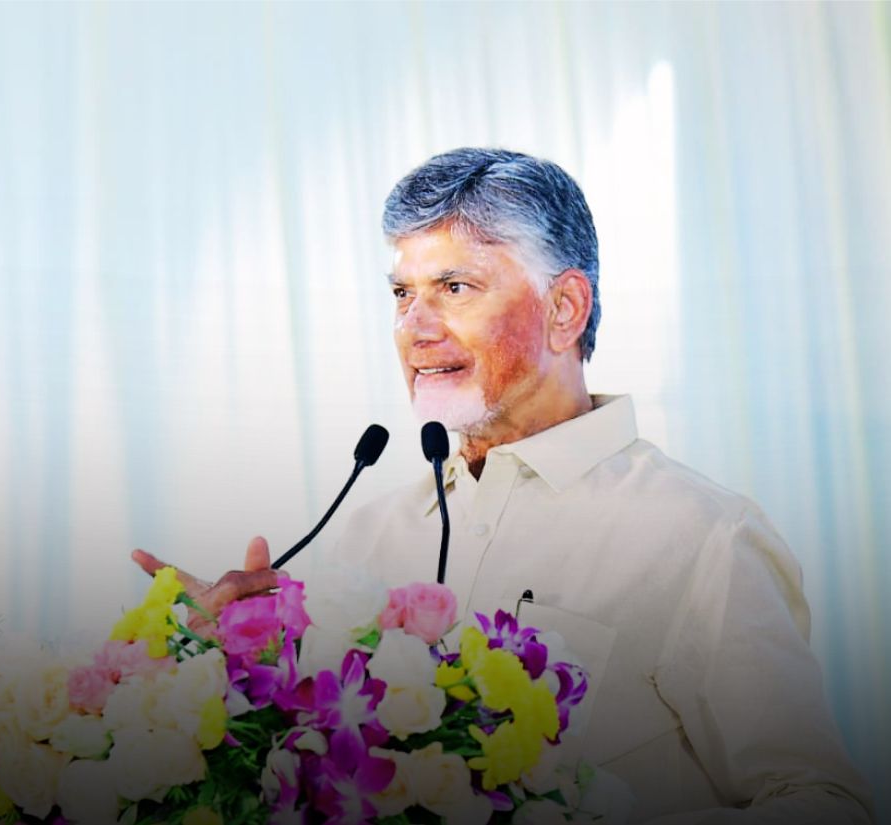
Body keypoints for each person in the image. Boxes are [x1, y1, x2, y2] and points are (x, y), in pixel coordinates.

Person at [132, 148, 873, 823]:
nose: (414, 328)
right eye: (401, 293)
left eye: (454, 286)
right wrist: (234, 668)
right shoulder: (359, 541)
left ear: (565, 310)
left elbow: (823, 801)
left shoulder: (703, 536)